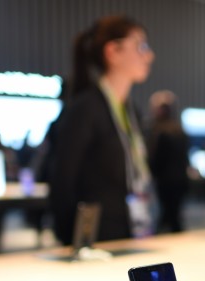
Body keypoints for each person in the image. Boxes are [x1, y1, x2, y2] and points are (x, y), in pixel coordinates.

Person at [49, 15, 155, 245]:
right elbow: (62, 182)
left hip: (132, 230)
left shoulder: (132, 112)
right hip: (95, 239)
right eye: (140, 46)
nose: (149, 55)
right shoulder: (86, 109)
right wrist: (73, 242)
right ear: (113, 52)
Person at [146, 90, 191, 233]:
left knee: (166, 215)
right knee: (174, 215)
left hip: (165, 181)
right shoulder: (180, 130)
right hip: (180, 180)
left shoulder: (159, 130)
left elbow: (155, 158)